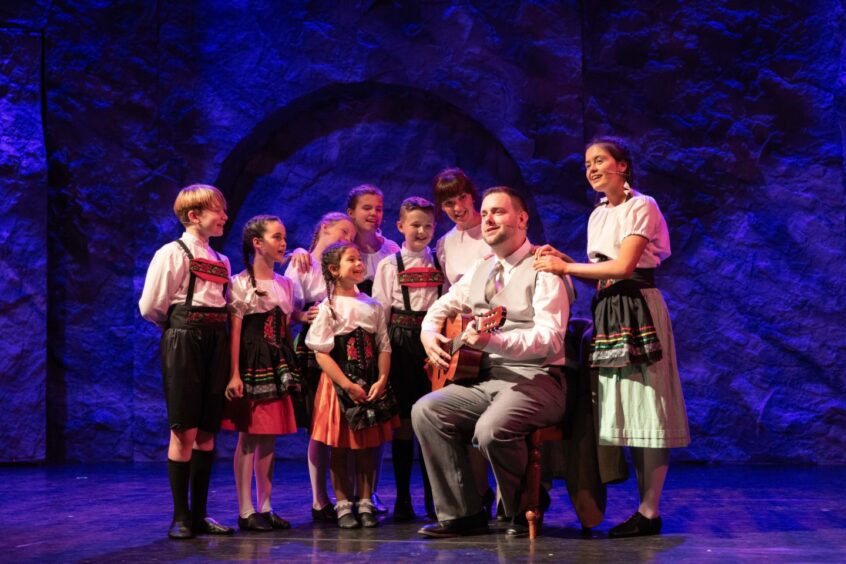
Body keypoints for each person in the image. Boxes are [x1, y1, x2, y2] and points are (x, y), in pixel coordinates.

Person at [533, 136, 690, 538]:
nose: (592, 168)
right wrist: (567, 262)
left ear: (623, 166)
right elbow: (601, 269)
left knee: (648, 410)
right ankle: (643, 509)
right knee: (626, 411)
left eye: (600, 160)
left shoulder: (642, 206)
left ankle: (649, 512)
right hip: (609, 310)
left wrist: (566, 269)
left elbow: (622, 266)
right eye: (587, 163)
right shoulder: (598, 215)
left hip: (637, 307)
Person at [413, 187, 569, 538]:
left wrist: (492, 341)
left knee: (491, 429)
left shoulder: (544, 268)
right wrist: (428, 329)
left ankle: (525, 502)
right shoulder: (482, 268)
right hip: (485, 379)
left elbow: (550, 340)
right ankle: (462, 513)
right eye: (484, 214)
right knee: (427, 410)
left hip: (538, 379)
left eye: (498, 212)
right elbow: (446, 303)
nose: (488, 220)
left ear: (522, 219)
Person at [138, 184, 234, 539]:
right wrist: (179, 327)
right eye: (218, 211)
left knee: (207, 430)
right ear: (194, 216)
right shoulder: (173, 252)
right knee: (184, 428)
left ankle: (199, 514)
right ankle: (179, 516)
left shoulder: (221, 261)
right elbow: (151, 306)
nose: (225, 216)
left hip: (215, 339)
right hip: (184, 339)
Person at [306, 241, 399, 528]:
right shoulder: (329, 308)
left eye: (360, 259)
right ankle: (343, 503)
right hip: (339, 386)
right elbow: (321, 352)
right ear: (334, 270)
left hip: (370, 381)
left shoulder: (372, 305)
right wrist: (346, 384)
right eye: (351, 260)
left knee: (366, 446)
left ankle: (365, 499)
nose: (359, 264)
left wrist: (382, 379)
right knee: (341, 447)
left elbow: (383, 345)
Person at [221, 215, 299, 532]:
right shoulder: (240, 284)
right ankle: (245, 509)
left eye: (284, 237)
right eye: (276, 237)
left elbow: (284, 327)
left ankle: (265, 506)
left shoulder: (285, 284)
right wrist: (234, 374)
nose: (283, 243)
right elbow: (236, 333)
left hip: (276, 361)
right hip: (252, 362)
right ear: (258, 243)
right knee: (249, 435)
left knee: (269, 437)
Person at [430, 167, 497, 518]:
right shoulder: (445, 243)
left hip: (494, 330)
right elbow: (448, 293)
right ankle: (478, 492)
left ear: (473, 195)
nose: (456, 208)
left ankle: (506, 494)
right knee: (463, 418)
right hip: (463, 338)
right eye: (448, 203)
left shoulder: (490, 233)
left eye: (460, 199)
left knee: (494, 417)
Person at [372, 197, 443, 521]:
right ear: (400, 226)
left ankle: (434, 499)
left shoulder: (439, 262)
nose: (422, 231)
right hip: (401, 343)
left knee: (432, 423)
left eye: (428, 225)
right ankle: (402, 499)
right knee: (402, 425)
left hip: (433, 345)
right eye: (416, 224)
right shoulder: (390, 265)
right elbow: (380, 313)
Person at [285, 212, 356, 522]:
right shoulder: (302, 263)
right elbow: (285, 308)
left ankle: (348, 495)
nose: (347, 240)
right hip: (313, 349)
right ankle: (319, 498)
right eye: (342, 232)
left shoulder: (341, 265)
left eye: (351, 237)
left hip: (344, 351)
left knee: (342, 424)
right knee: (318, 425)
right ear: (324, 227)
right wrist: (302, 317)